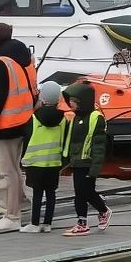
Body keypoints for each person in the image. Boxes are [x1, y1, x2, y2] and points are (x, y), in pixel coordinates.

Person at [0, 22, 37, 231]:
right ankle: (20, 202)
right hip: (25, 119)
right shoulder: (25, 58)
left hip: (7, 124)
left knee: (6, 171)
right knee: (16, 168)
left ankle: (11, 216)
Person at [61, 82, 111, 236]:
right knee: (79, 193)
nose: (71, 105)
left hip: (88, 161)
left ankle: (103, 210)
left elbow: (99, 145)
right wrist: (65, 161)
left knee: (87, 191)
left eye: (74, 102)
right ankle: (82, 222)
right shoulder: (76, 118)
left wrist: (95, 168)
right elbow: (71, 141)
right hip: (77, 161)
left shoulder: (96, 118)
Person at [21, 81, 67, 233]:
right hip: (54, 162)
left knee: (37, 194)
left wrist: (23, 159)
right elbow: (65, 140)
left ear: (43, 99)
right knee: (51, 193)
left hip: (35, 163)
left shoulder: (34, 118)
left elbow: (27, 140)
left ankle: (34, 224)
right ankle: (47, 224)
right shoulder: (63, 119)